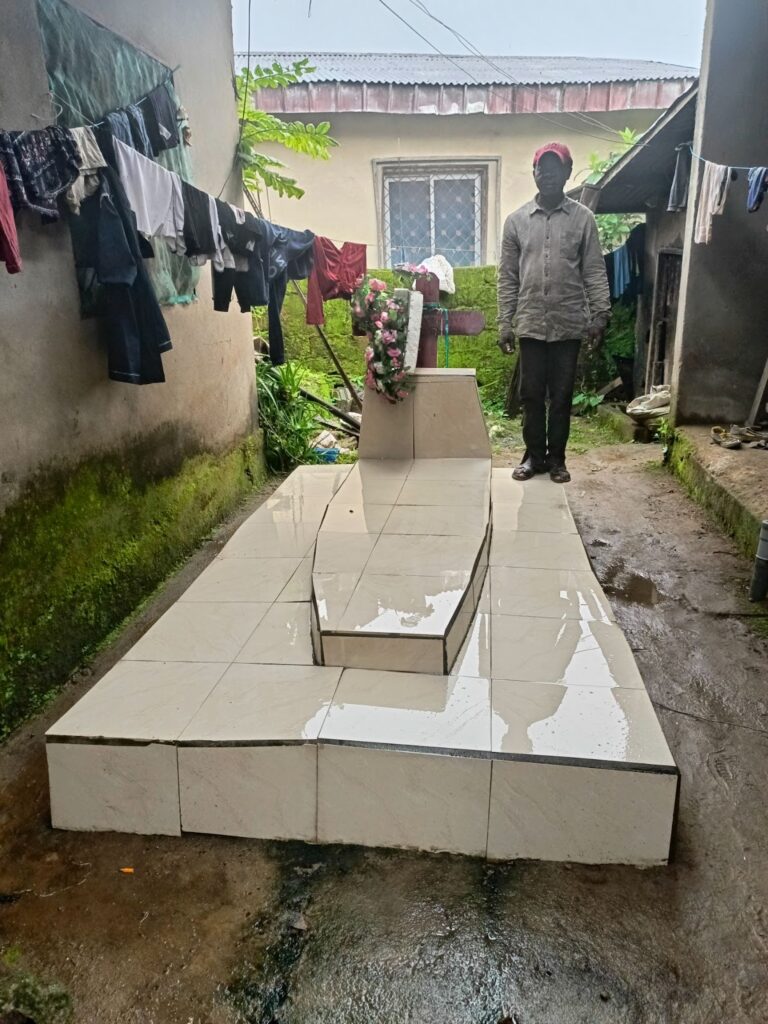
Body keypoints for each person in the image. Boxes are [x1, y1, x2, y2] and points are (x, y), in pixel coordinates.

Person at [497, 142, 610, 483]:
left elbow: (593, 270)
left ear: (566, 173)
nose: (547, 175)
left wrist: (600, 316)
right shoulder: (516, 222)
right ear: (534, 174)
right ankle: (533, 458)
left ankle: (557, 460)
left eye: (554, 169)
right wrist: (505, 321)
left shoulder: (583, 219)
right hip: (530, 323)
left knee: (561, 396)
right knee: (531, 395)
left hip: (568, 324)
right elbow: (508, 276)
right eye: (541, 169)